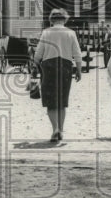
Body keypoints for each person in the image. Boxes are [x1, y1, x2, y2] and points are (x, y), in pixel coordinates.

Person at [33, 8, 83, 142]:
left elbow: (39, 52)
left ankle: (55, 128)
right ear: (64, 19)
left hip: (49, 67)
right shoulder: (71, 33)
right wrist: (78, 70)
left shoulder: (46, 32)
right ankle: (61, 130)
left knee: (51, 102)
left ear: (52, 19)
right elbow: (77, 53)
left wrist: (35, 65)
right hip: (65, 66)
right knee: (62, 101)